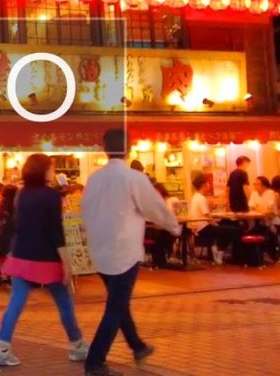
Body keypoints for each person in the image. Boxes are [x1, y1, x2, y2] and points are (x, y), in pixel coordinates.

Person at [82, 129, 181, 376]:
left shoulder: (94, 179)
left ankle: (137, 345)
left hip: (99, 249)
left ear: (105, 149)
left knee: (118, 302)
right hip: (124, 251)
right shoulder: (133, 178)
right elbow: (155, 207)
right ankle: (95, 361)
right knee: (116, 306)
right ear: (128, 148)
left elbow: (85, 212)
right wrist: (173, 226)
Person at [0, 155, 88, 367]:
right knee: (64, 302)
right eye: (51, 168)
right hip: (46, 258)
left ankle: (2, 348)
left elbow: (17, 224)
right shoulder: (51, 196)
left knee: (15, 303)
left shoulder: (22, 194)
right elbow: (55, 231)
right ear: (44, 171)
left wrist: (10, 251)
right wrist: (67, 262)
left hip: (21, 255)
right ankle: (77, 345)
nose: (53, 172)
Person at [188, 174, 239, 265]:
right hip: (204, 228)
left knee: (225, 226)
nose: (209, 186)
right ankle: (220, 250)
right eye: (208, 184)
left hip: (197, 227)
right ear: (204, 185)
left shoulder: (195, 197)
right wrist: (216, 224)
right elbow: (207, 216)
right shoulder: (201, 198)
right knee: (233, 230)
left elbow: (206, 214)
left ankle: (217, 249)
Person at [249, 176, 280, 261]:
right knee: (247, 231)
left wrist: (260, 211)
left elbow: (270, 210)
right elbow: (251, 207)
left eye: (257, 184)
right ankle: (255, 256)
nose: (255, 186)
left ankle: (271, 254)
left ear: (264, 186)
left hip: (272, 220)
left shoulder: (270, 193)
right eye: (254, 184)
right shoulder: (254, 193)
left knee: (267, 233)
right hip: (258, 220)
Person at [146, 183, 178, 268]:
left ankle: (162, 259)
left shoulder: (169, 201)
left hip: (161, 227)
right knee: (162, 234)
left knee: (166, 233)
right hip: (150, 228)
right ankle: (161, 259)